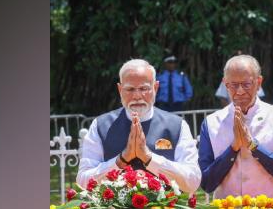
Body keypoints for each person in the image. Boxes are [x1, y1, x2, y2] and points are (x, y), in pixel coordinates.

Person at [77, 59, 201, 193]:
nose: (137, 96)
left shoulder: (177, 126)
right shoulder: (101, 126)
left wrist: (149, 158)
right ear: (120, 89)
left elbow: (192, 181)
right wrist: (121, 160)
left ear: (155, 88)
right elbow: (83, 182)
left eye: (144, 89)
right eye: (130, 89)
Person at [198, 55, 273, 199]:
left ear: (258, 82)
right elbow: (206, 183)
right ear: (225, 84)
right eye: (233, 85)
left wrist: (253, 146)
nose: (239, 91)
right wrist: (233, 149)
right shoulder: (211, 123)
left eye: (246, 84)